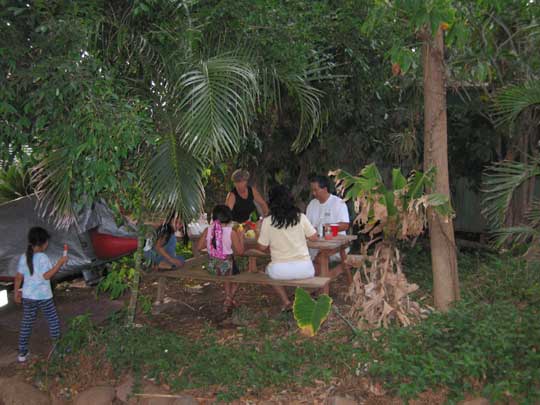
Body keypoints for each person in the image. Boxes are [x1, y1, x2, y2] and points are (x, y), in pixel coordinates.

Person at [256, 185, 318, 311]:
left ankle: (286, 301)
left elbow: (262, 247)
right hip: (305, 268)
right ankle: (300, 297)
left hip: (280, 270)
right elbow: (314, 237)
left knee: (267, 271)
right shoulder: (300, 217)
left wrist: (258, 231)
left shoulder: (268, 221)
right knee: (303, 270)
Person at [13, 227, 68, 363]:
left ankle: (22, 353)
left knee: (26, 324)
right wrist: (60, 263)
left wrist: (16, 293)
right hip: (44, 297)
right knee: (53, 322)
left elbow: (18, 277)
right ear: (44, 243)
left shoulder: (24, 256)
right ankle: (57, 351)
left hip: (28, 297)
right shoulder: (43, 257)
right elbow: (47, 276)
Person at [197, 205, 245, 313]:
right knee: (239, 276)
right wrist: (241, 237)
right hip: (225, 267)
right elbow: (241, 252)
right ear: (228, 217)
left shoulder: (208, 230)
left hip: (212, 267)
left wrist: (209, 242)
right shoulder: (231, 232)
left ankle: (228, 297)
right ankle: (228, 299)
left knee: (226, 273)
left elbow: (199, 247)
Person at [306, 175, 350, 269]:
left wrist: (330, 227)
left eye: (315, 190)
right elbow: (308, 226)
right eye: (312, 190)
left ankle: (320, 282)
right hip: (314, 246)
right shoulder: (312, 204)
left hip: (335, 246)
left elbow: (345, 225)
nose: (313, 193)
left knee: (319, 259)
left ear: (325, 189)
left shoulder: (338, 203)